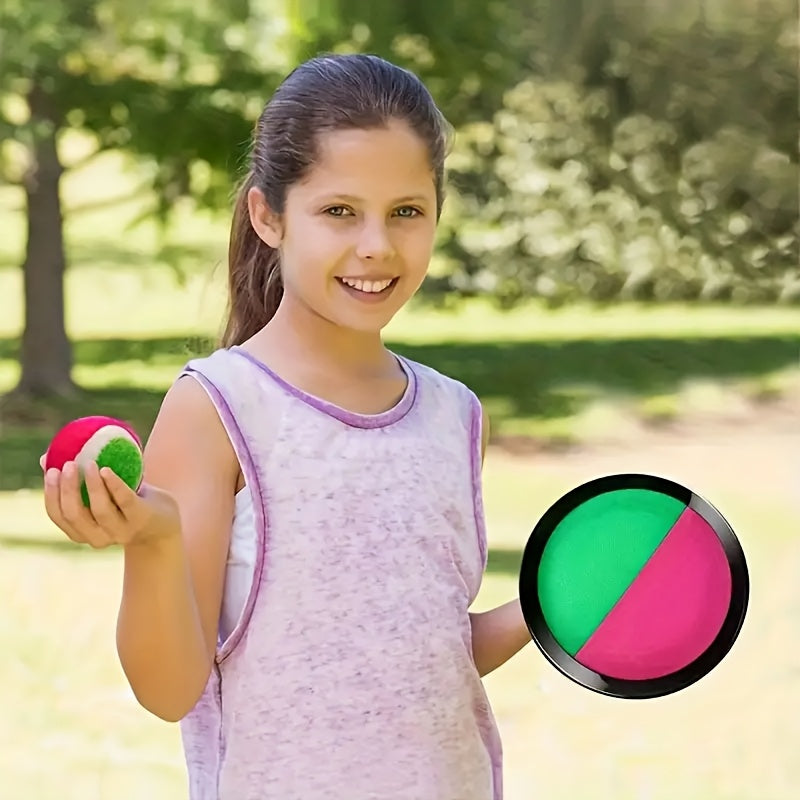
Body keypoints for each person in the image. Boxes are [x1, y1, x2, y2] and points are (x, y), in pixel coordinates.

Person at [42, 53, 532, 800]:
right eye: (339, 211)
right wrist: (154, 539)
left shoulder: (455, 416)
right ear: (268, 216)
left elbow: (420, 652)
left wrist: (546, 605)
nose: (376, 244)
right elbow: (169, 689)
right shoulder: (221, 407)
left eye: (407, 211)